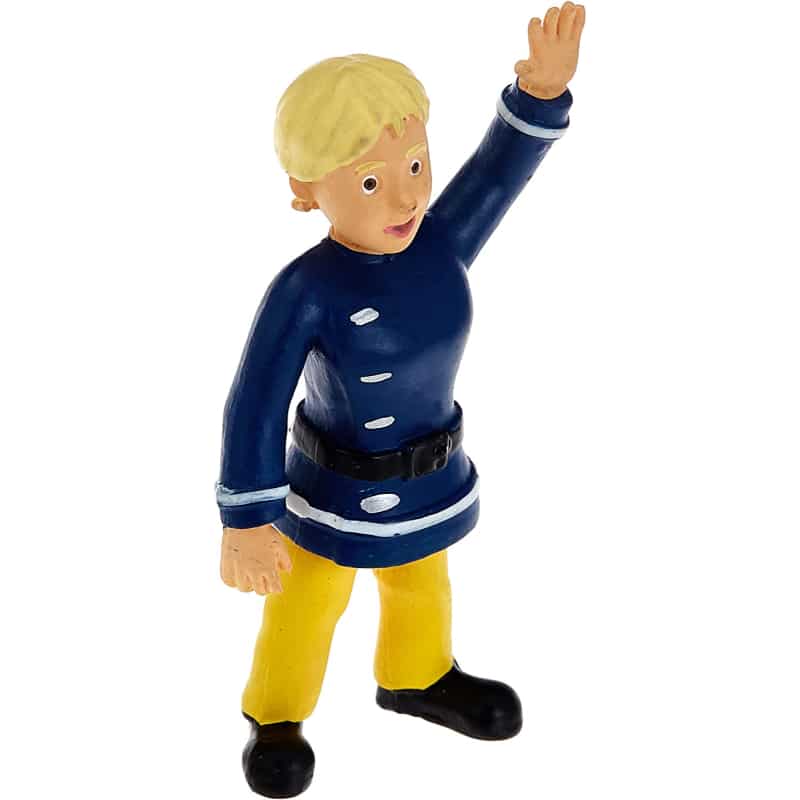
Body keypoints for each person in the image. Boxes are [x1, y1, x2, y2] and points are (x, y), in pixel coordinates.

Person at [217, 4, 585, 796]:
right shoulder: (305, 289)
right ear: (306, 191)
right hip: (331, 487)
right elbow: (255, 401)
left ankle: (417, 677)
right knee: (308, 602)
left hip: (428, 475)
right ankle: (276, 715)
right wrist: (246, 517)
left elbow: (496, 174)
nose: (404, 197)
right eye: (371, 181)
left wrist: (539, 95)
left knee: (421, 581)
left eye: (415, 165)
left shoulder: (441, 245)